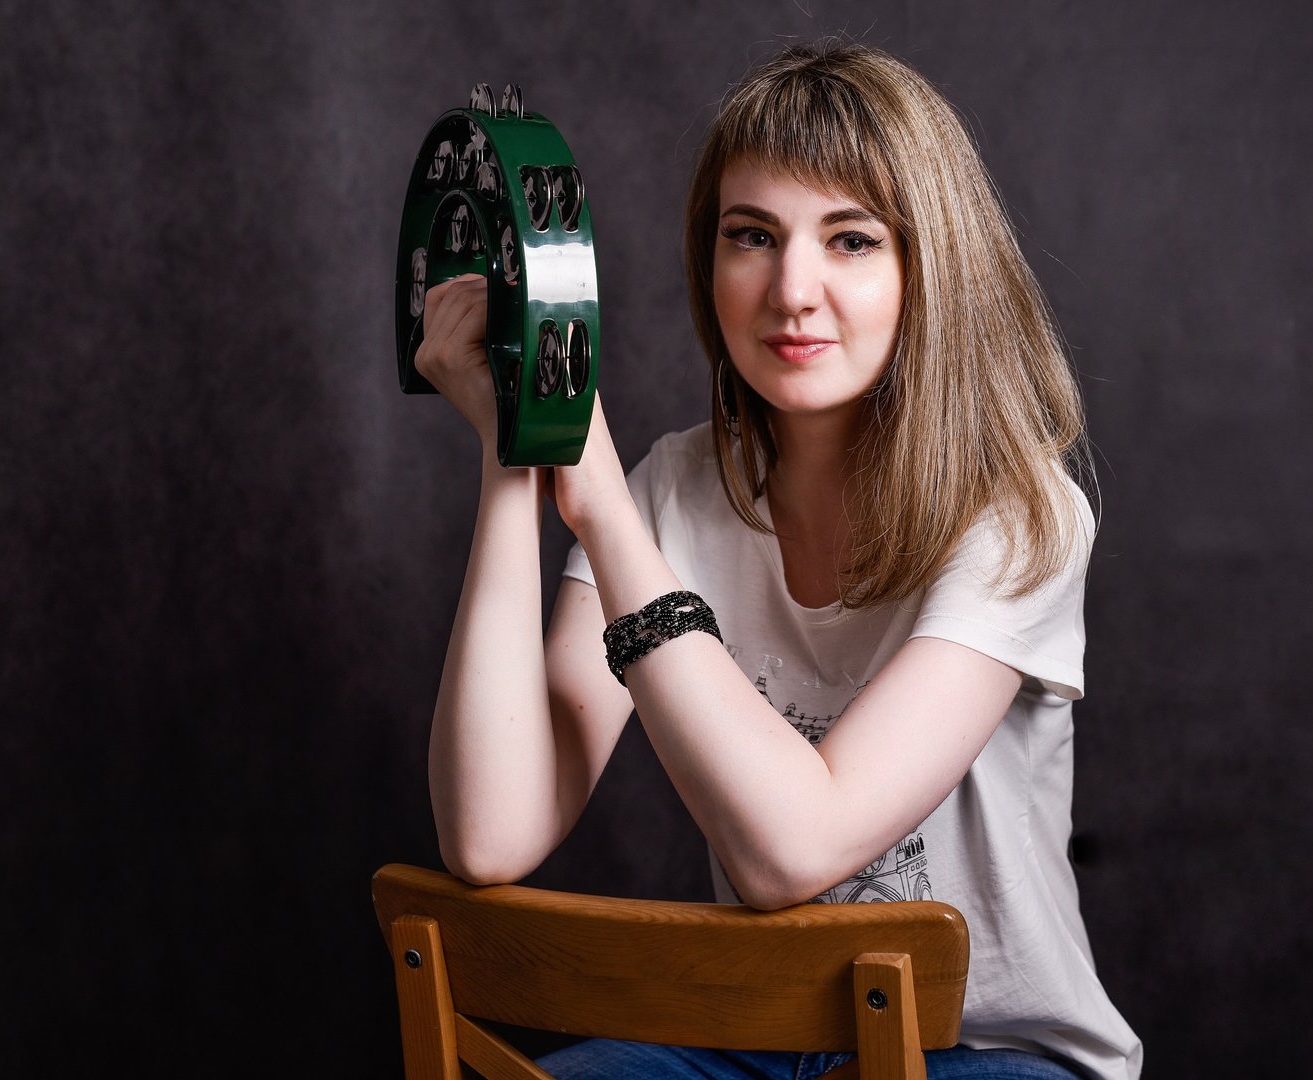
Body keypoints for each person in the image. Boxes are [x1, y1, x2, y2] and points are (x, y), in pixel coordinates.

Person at [413, 39, 1143, 1080]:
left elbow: (791, 852)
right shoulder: (674, 491)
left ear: (930, 267)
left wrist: (604, 512)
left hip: (985, 1053)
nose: (792, 290)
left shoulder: (1018, 518)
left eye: (852, 241)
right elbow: (491, 834)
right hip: (758, 1041)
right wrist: (514, 447)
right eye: (752, 236)